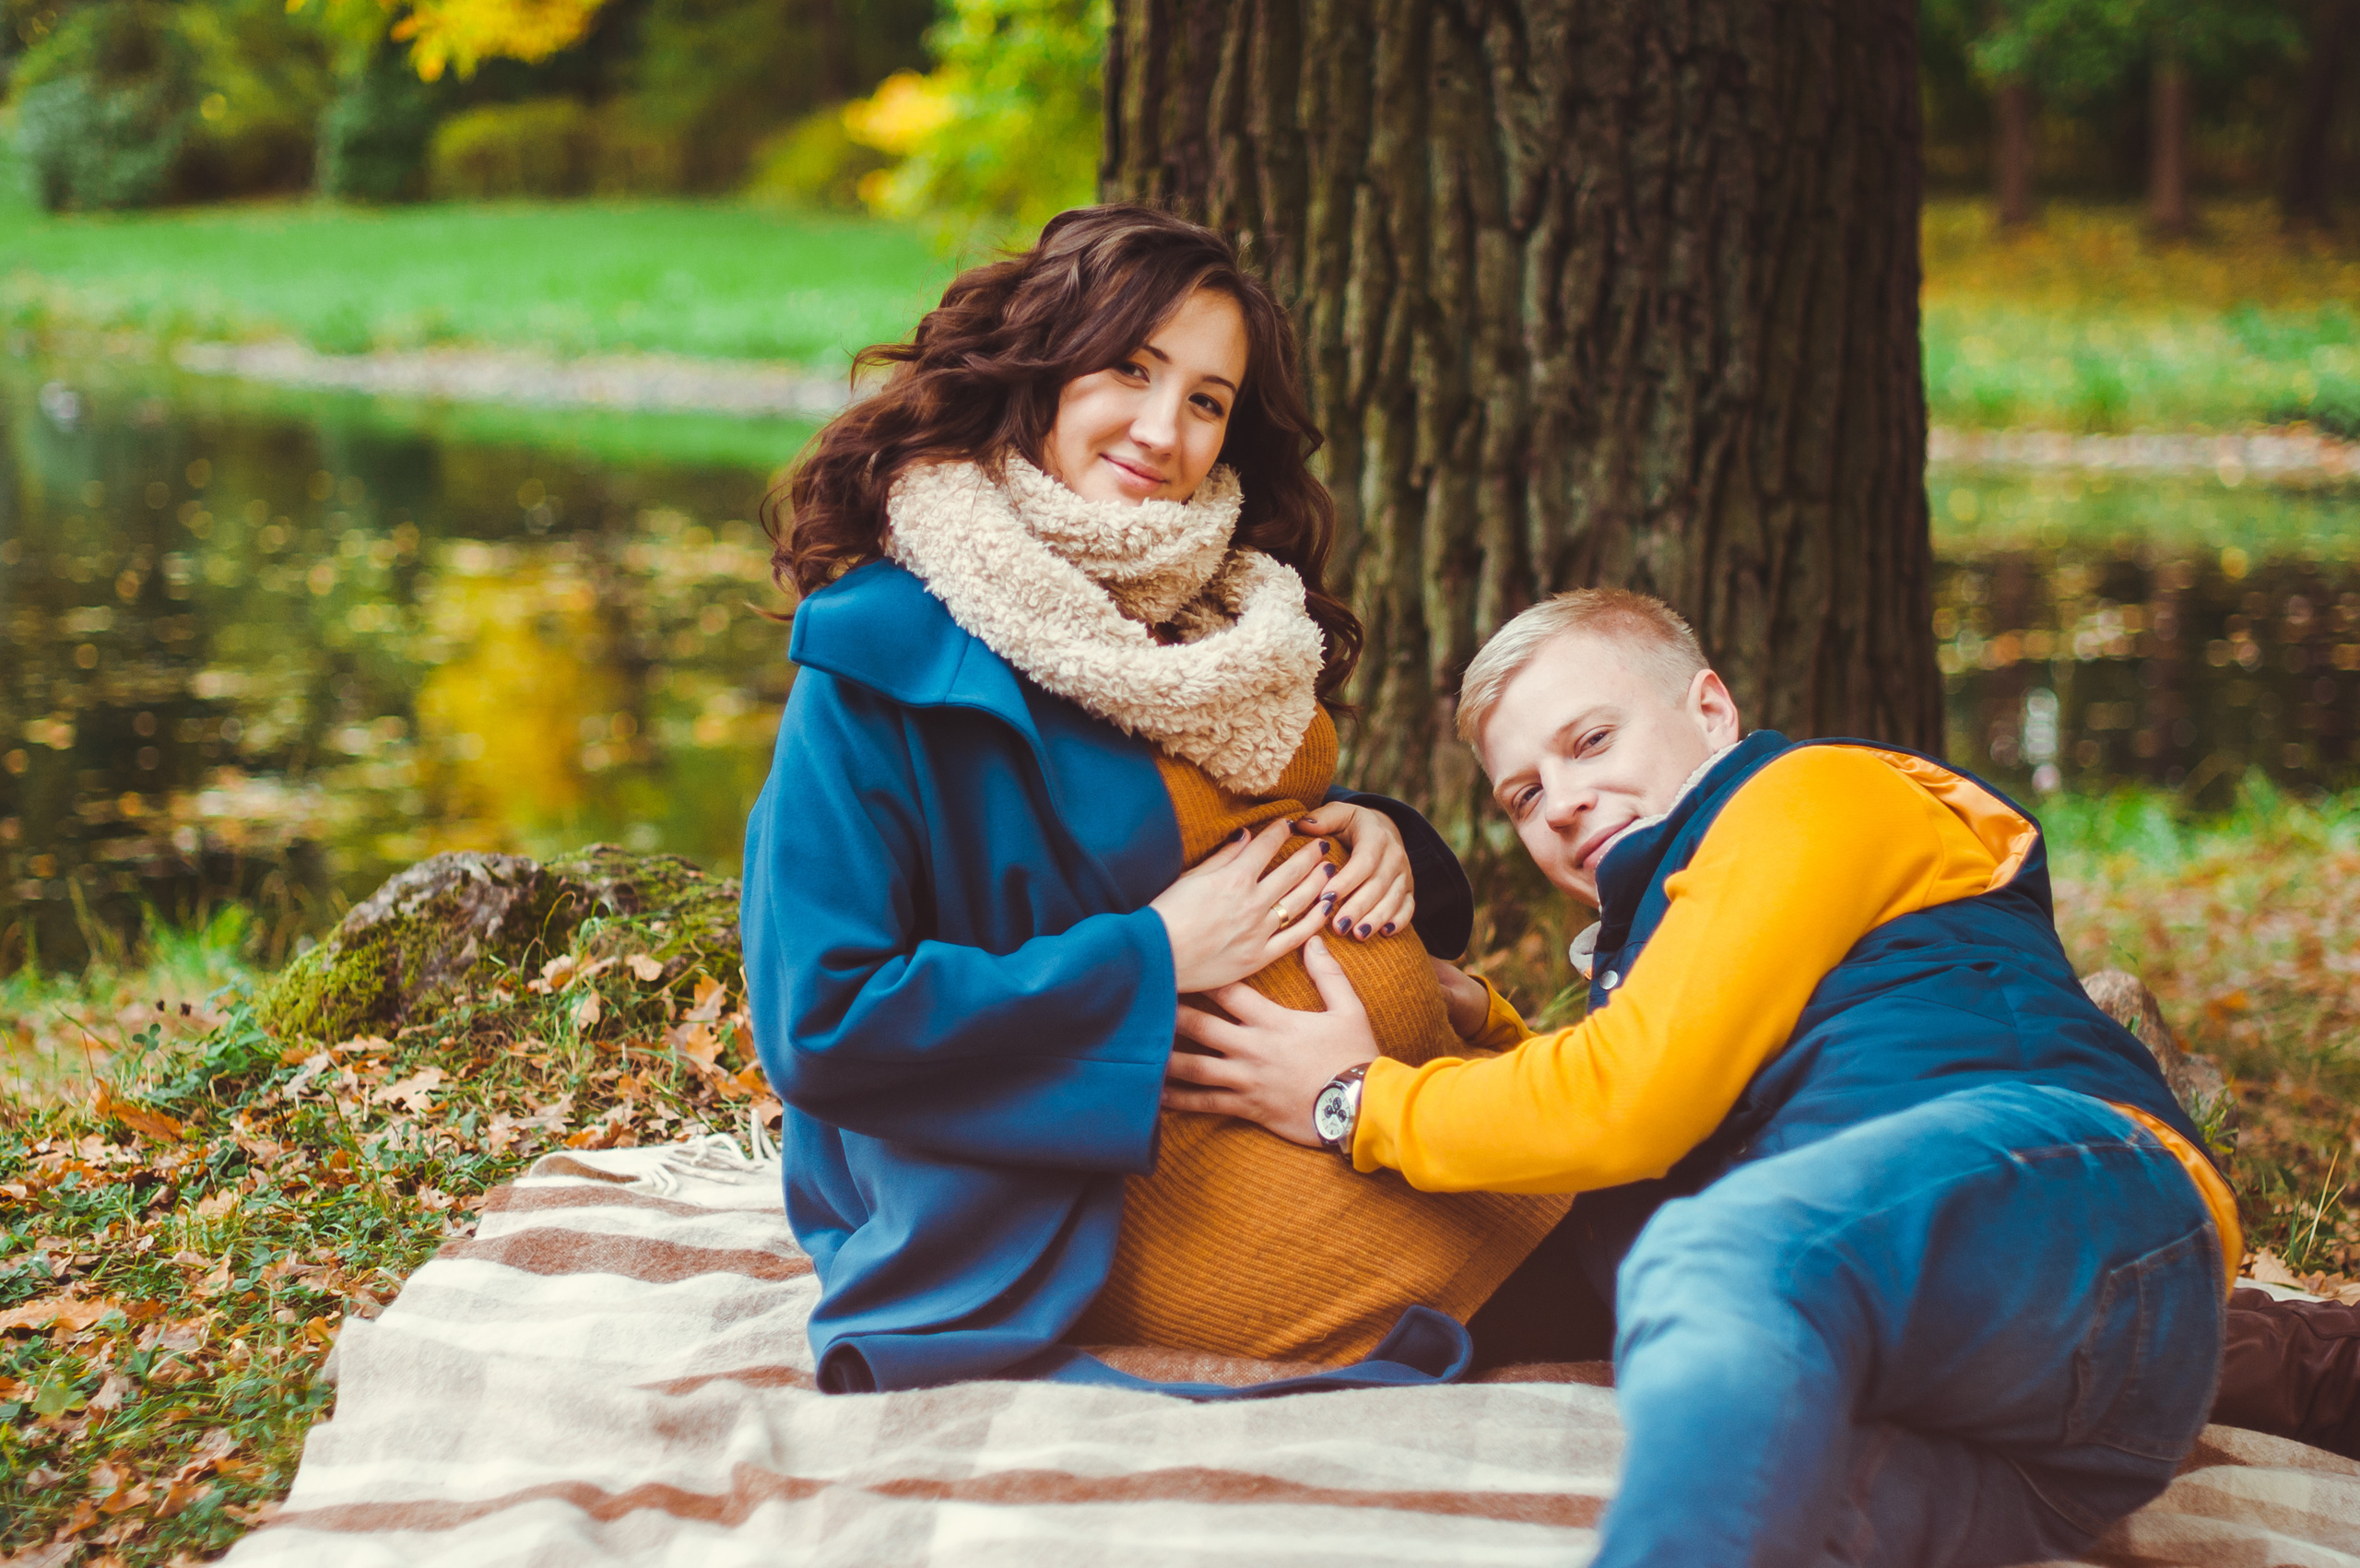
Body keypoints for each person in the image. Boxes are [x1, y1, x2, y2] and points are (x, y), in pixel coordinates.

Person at [1163, 587, 2236, 1565]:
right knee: (1759, 1506)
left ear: (1712, 712)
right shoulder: (1664, 944)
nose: (1567, 801)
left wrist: (1350, 1098)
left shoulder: (1814, 793)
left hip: (2067, 1195)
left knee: (1716, 1254)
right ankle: (2295, 1355)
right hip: (2049, 1437)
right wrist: (1476, 1017)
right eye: (1525, 795)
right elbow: (1625, 1100)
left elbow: (1624, 1104)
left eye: (1592, 741)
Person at [740, 206, 1567, 1397]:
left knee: (1660, 1175)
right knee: (1631, 1249)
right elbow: (821, 1019)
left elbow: (1219, 829)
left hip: (1346, 1095)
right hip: (1090, 1194)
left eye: (1206, 399)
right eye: (1131, 370)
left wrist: (1393, 841)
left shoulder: (1210, 618)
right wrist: (1156, 954)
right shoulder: (883, 656)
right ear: (1041, 370)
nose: (1163, 430)